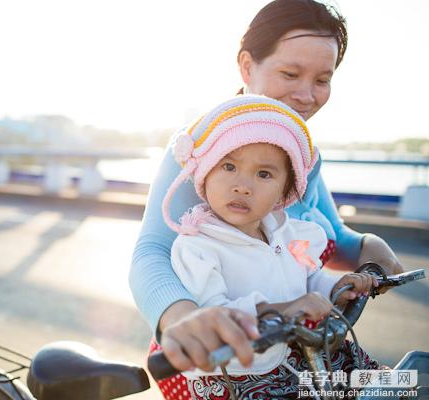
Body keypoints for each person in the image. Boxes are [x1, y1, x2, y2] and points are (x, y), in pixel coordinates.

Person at [129, 0, 404, 397]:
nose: (307, 95)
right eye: (290, 73)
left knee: (399, 385)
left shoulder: (304, 154)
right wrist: (183, 319)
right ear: (246, 67)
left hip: (302, 350)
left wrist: (368, 247)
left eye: (322, 79)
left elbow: (330, 235)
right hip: (226, 357)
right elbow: (152, 250)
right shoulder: (207, 146)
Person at [158, 94, 379, 399]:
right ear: (204, 174)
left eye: (264, 174)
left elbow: (307, 277)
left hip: (289, 355)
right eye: (228, 167)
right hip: (236, 373)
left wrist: (337, 285)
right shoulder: (196, 246)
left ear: (283, 193)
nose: (242, 185)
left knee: (376, 381)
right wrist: (283, 309)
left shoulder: (286, 233)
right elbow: (213, 314)